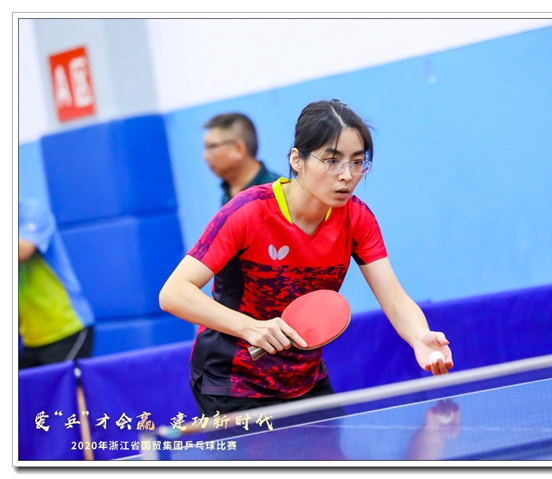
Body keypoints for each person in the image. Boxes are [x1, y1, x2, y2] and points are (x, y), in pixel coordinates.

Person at [160, 99, 454, 418]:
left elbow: (395, 300)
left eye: (357, 162)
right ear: (297, 160)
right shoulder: (248, 212)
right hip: (233, 382)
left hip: (304, 380)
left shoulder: (357, 218)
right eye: (332, 160)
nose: (347, 175)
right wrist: (250, 327)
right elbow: (174, 293)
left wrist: (419, 337)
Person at [18, 197, 95, 369]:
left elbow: (22, 251)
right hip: (31, 340)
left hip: (67, 330)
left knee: (65, 386)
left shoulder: (32, 211)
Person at [202, 112, 280, 205]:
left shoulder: (277, 193)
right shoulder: (227, 194)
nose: (205, 157)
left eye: (211, 147)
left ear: (238, 149)